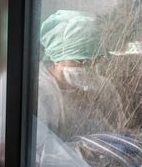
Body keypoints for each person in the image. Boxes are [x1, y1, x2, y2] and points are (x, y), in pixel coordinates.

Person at [38, 10, 126, 142]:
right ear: (57, 57)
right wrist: (80, 152)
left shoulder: (104, 88)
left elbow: (119, 132)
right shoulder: (40, 93)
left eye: (95, 60)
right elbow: (38, 151)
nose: (89, 67)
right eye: (80, 61)